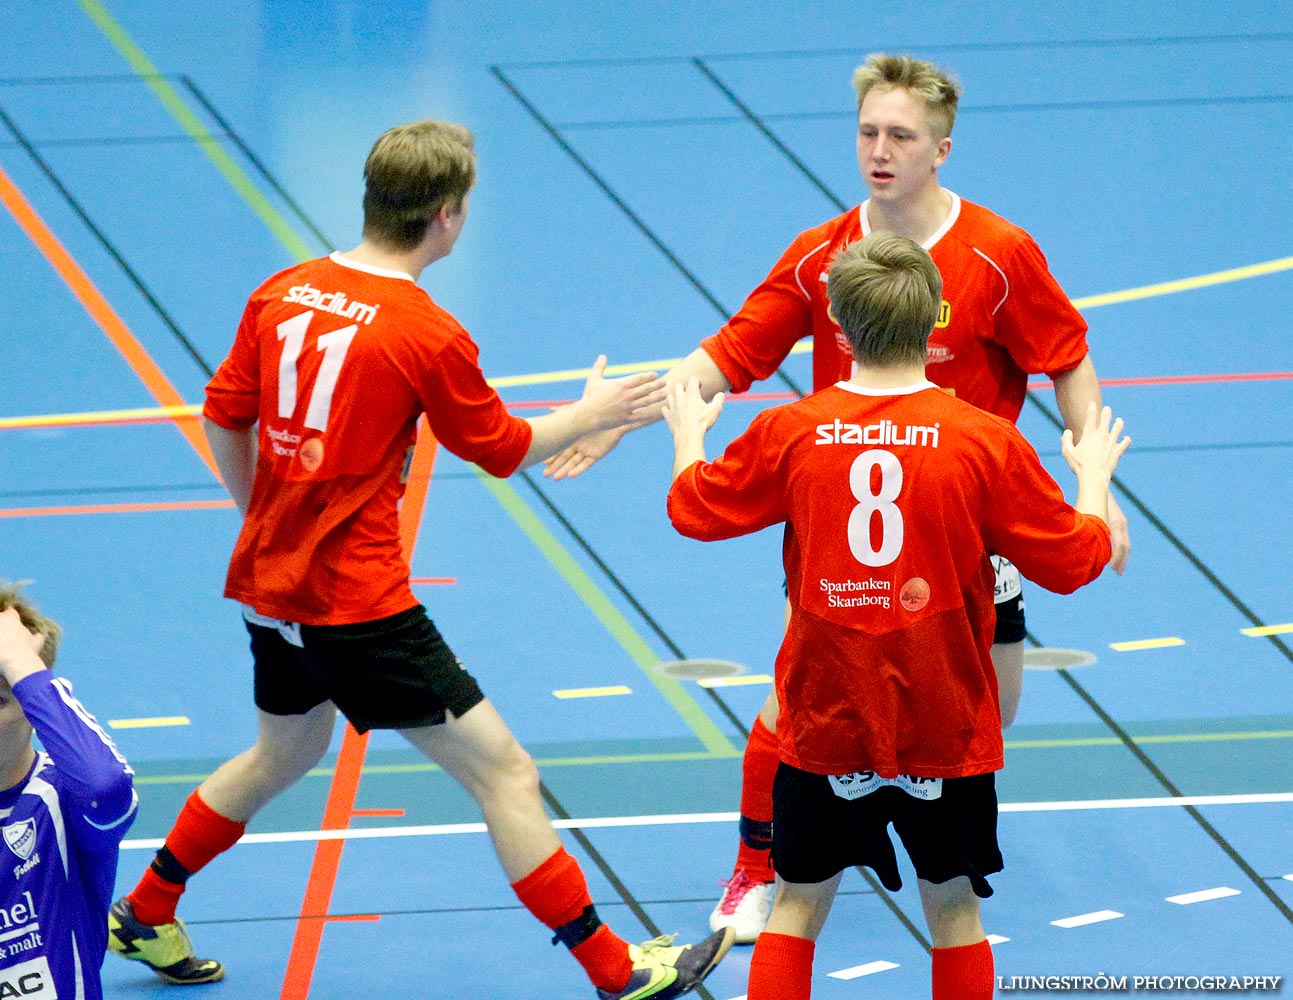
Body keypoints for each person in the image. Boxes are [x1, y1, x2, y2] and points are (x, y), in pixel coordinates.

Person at [106, 119, 733, 999]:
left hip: (268, 587)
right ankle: (615, 970)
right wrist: (592, 414)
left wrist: (262, 515)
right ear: (447, 214)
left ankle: (144, 910)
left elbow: (224, 415)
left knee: (280, 756)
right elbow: (505, 448)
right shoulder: (423, 330)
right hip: (357, 608)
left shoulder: (283, 290)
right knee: (505, 774)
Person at [545, 52, 1131, 941]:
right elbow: (730, 354)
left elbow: (1066, 360)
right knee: (795, 701)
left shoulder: (999, 255)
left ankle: (903, 832)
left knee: (987, 715)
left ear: (941, 148)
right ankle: (757, 863)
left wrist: (1100, 485)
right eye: (867, 133)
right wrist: (623, 418)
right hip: (852, 539)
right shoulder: (823, 253)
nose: (879, 151)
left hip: (974, 531)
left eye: (900, 136)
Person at [663, 231, 1129, 999]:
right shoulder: (984, 441)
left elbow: (694, 508)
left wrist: (687, 437)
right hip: (940, 724)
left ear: (838, 330)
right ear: (931, 328)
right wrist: (1090, 481)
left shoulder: (793, 430)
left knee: (796, 908)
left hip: (824, 721)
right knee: (951, 913)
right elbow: (1075, 562)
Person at [0, 581, 138, 1000]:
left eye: (0, 697)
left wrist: (20, 661)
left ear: (34, 705)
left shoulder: (61, 801)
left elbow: (105, 788)